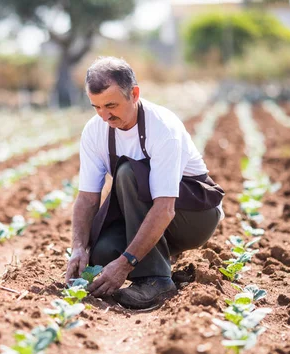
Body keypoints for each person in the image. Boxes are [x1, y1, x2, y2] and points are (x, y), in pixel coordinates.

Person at [65, 57, 224, 309]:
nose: (104, 115)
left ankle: (156, 281)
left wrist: (126, 263)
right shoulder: (95, 131)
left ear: (134, 94)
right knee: (102, 254)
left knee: (129, 173)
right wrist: (78, 248)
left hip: (194, 216)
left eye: (111, 105)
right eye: (96, 107)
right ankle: (153, 256)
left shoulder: (162, 127)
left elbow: (165, 208)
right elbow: (87, 198)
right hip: (151, 215)